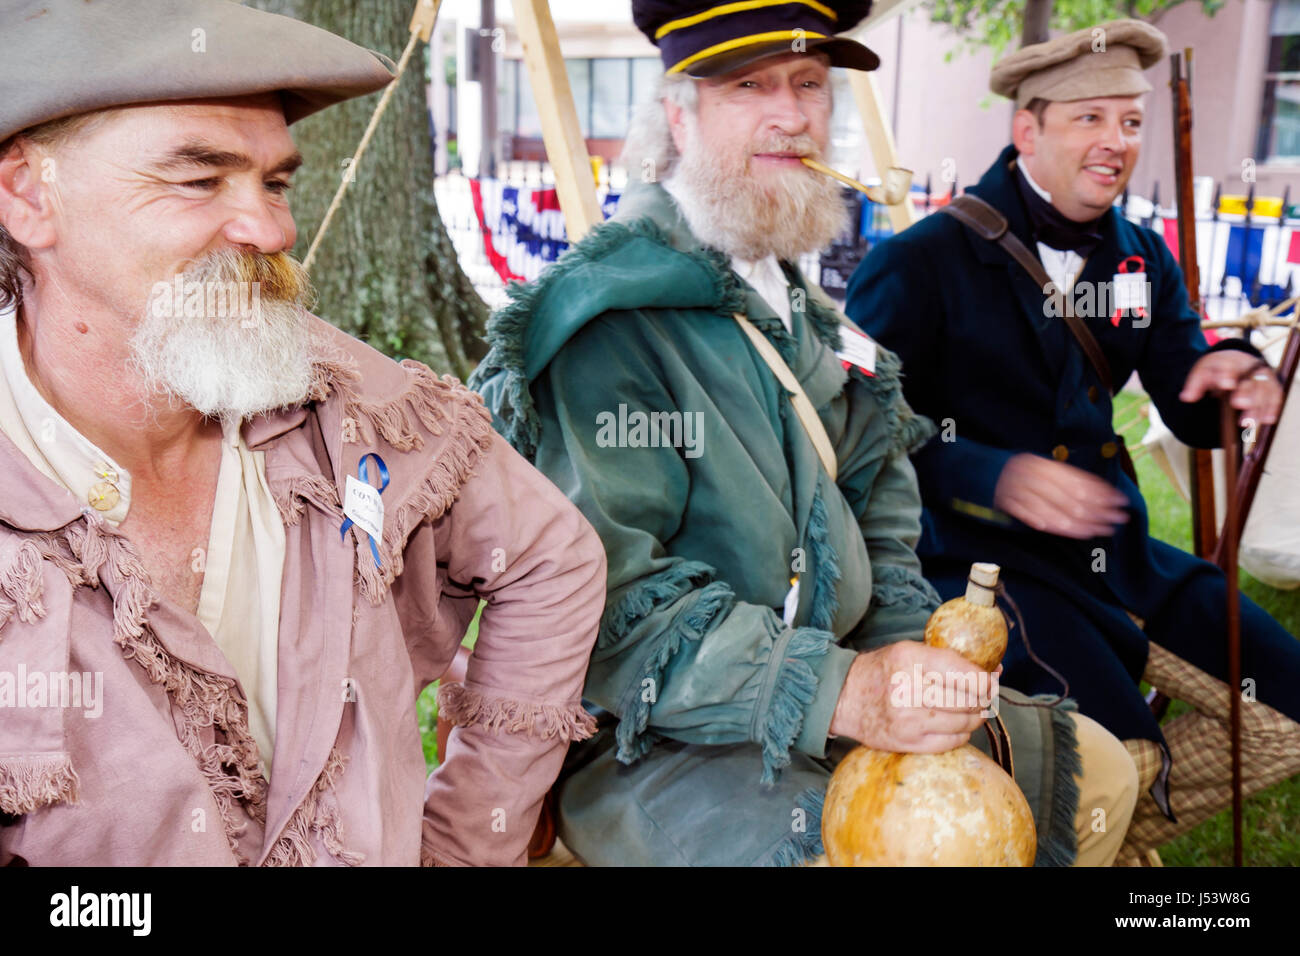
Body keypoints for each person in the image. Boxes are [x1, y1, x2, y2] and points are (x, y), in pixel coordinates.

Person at [471, 0, 1138, 866]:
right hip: (666, 740)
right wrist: (849, 691)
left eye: (810, 85)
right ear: (678, 114)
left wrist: (907, 662)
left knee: (1105, 773)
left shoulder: (818, 321)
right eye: (749, 86)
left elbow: (889, 533)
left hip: (845, 683)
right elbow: (618, 611)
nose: (791, 115)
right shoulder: (610, 320)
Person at [0, 0, 606, 866]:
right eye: (199, 179)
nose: (273, 230)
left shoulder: (329, 386)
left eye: (275, 182)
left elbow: (552, 560)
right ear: (27, 195)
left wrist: (468, 844)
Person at [845, 18, 1300, 863]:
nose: (1117, 142)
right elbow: (858, 430)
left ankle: (1100, 841)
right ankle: (1094, 829)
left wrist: (1228, 379)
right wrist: (990, 473)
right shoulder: (920, 259)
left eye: (1131, 122)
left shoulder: (1141, 259)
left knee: (1285, 720)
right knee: (1113, 758)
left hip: (1122, 557)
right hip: (986, 568)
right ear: (1029, 129)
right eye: (1090, 118)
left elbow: (1186, 389)